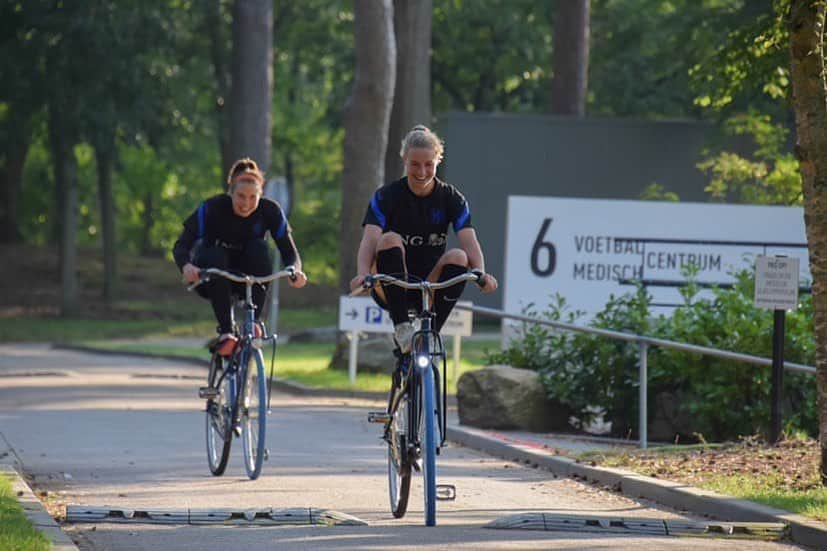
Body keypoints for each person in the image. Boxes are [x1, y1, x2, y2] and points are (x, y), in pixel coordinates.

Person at [350, 125, 498, 356]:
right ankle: (402, 328)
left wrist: (481, 273)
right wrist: (361, 274)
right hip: (390, 286)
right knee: (389, 238)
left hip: (430, 287)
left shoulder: (452, 198)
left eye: (428, 164)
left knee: (459, 256)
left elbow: (469, 241)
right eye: (415, 164)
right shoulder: (386, 196)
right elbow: (370, 239)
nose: (421, 172)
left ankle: (431, 339)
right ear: (404, 161)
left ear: (438, 161)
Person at [173, 158, 307, 356]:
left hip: (248, 275)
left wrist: (295, 270)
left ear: (261, 195)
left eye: (253, 197)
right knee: (216, 254)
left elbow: (290, 252)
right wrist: (186, 266)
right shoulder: (212, 208)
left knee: (259, 248)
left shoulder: (270, 211)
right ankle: (227, 333)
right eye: (241, 196)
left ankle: (253, 324)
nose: (246, 204)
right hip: (212, 273)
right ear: (231, 193)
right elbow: (181, 245)